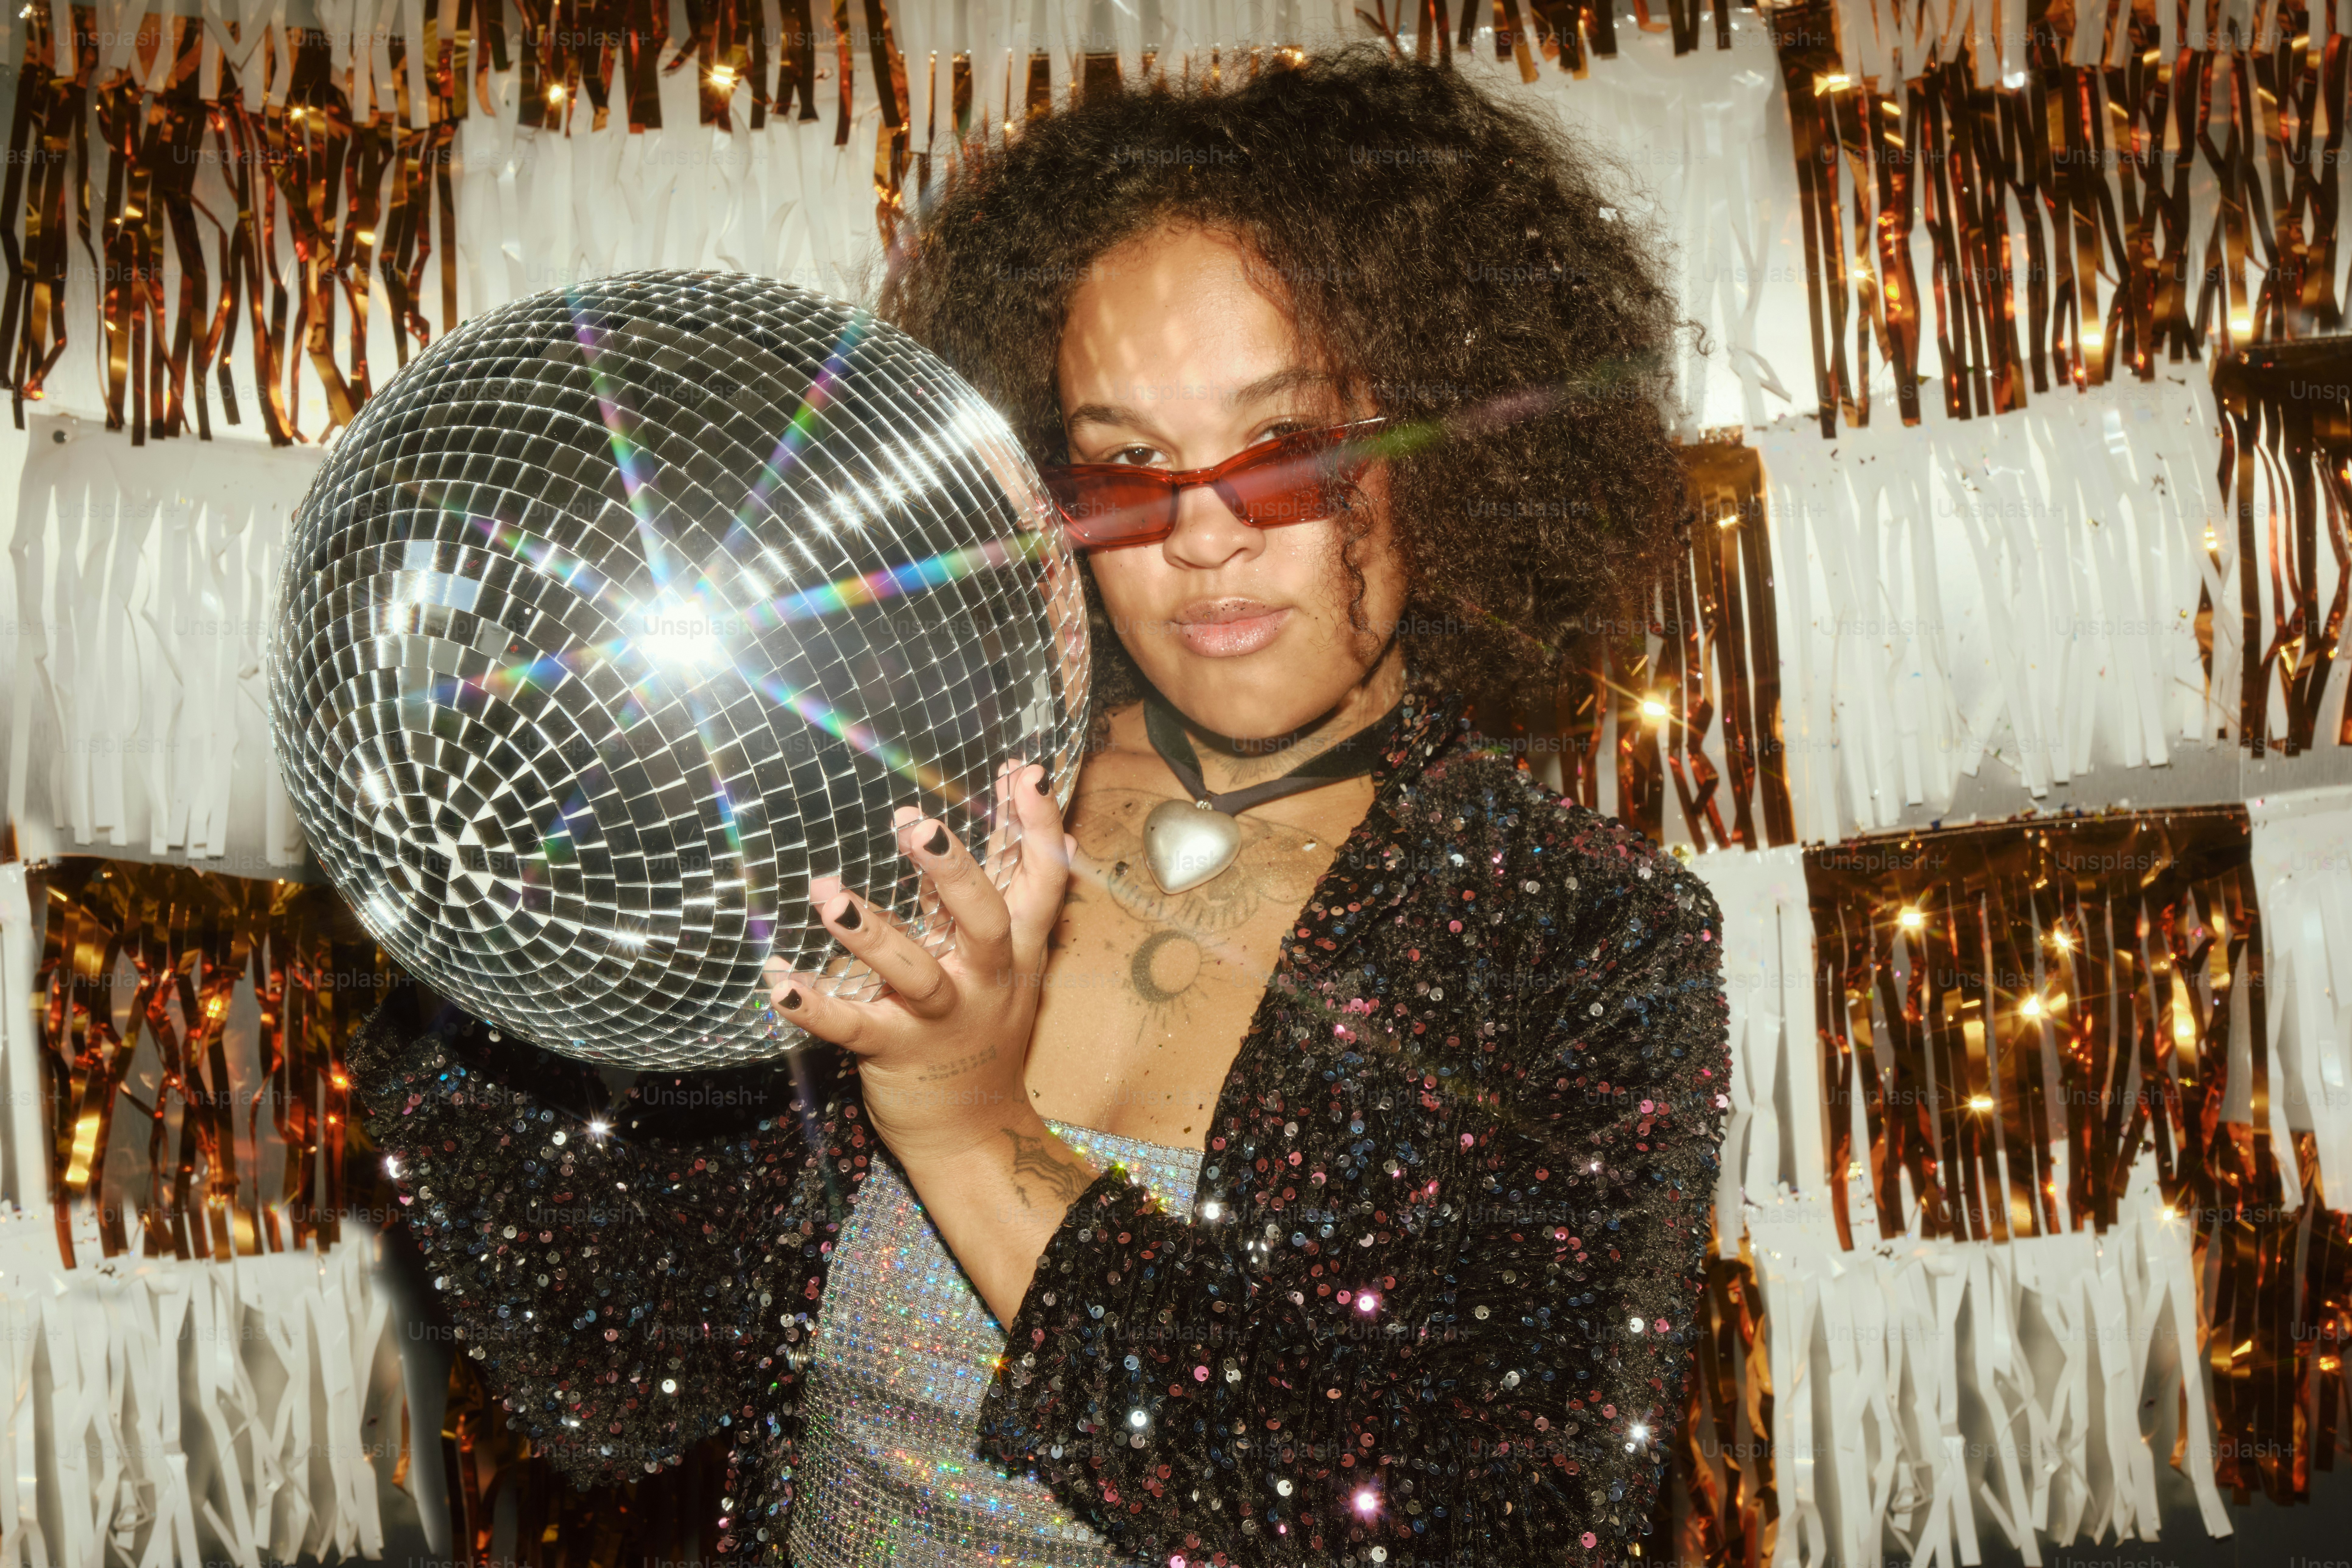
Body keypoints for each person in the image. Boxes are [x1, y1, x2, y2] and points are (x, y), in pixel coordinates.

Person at [345, 42, 1730, 1568]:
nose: (1201, 537)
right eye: (1127, 470)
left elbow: (1491, 1529)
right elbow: (611, 1376)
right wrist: (519, 869)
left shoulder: (1584, 936)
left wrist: (971, 1131)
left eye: (1287, 456)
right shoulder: (901, 803)